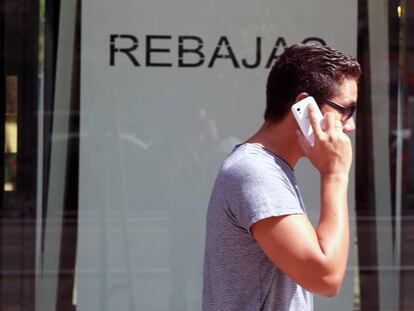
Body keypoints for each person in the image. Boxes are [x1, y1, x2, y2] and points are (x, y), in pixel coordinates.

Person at [202, 43, 361, 311]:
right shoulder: (255, 172)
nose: (350, 125)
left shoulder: (267, 168)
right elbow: (325, 277)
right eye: (345, 110)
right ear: (304, 107)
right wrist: (335, 175)